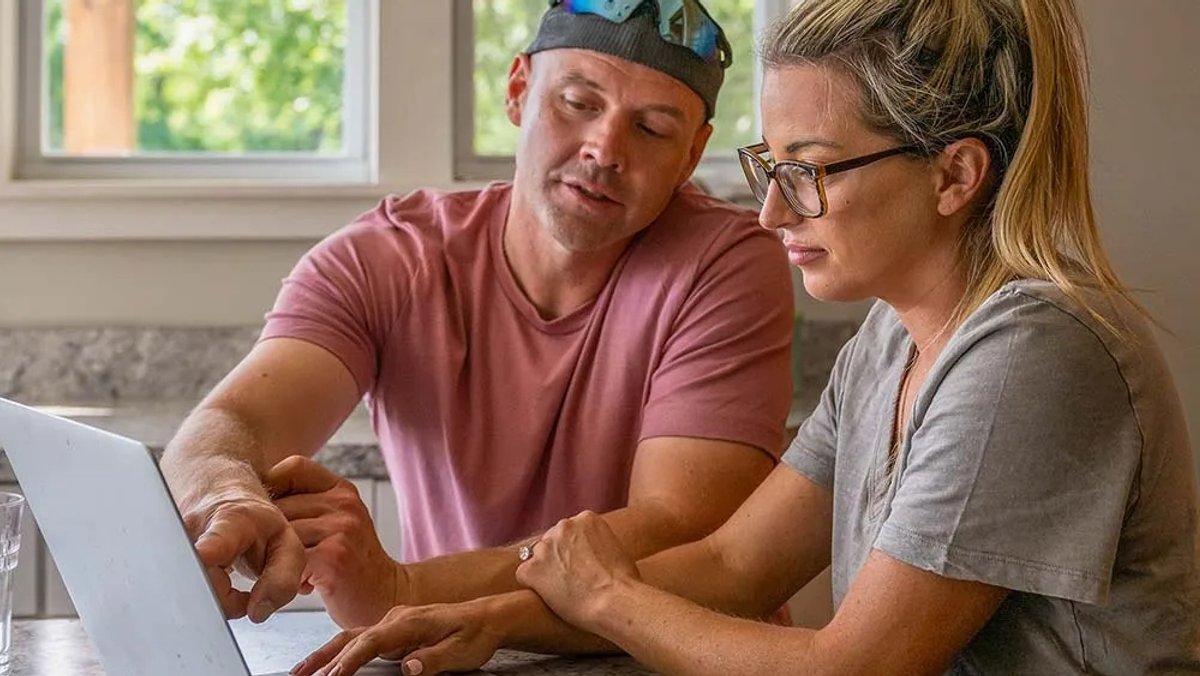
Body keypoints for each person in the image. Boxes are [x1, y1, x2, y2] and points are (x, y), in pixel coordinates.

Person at [288, 0, 1200, 674]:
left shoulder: (1032, 353)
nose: (768, 211)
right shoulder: (890, 342)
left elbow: (856, 668)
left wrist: (604, 594)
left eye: (806, 172)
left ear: (955, 173)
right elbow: (732, 564)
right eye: (769, 167)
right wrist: (490, 619)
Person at [159, 0, 795, 635]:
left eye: (653, 128)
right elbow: (231, 422)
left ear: (691, 156)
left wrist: (407, 589)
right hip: (453, 651)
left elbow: (684, 526)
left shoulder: (729, 260)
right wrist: (226, 492)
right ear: (519, 90)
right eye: (577, 103)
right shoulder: (388, 257)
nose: (605, 149)